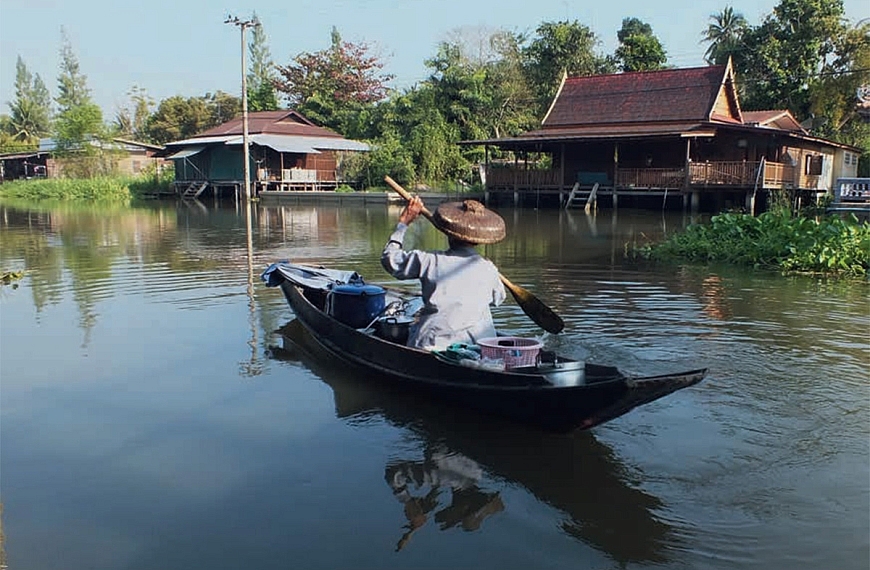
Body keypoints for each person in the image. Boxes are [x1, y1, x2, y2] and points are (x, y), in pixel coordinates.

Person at [381, 195, 506, 350]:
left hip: (433, 345)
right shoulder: (489, 269)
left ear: (448, 234)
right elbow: (498, 298)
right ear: (477, 240)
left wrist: (404, 222)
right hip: (479, 348)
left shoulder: (429, 260)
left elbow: (390, 259)